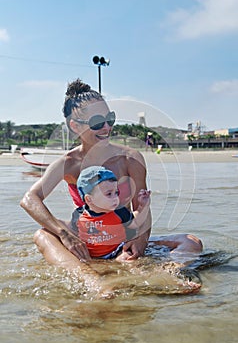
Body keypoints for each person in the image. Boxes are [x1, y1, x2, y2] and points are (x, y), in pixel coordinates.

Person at [20, 78, 203, 271]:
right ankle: (90, 280)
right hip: (88, 238)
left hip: (121, 236)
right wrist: (64, 235)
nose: (107, 128)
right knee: (42, 235)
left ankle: (169, 274)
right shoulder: (68, 163)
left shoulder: (130, 158)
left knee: (191, 242)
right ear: (75, 126)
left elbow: (141, 207)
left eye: (110, 119)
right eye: (98, 122)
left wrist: (140, 240)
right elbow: (29, 199)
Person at [73, 165, 151, 261]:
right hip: (92, 256)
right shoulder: (79, 215)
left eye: (116, 192)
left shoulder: (119, 211)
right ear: (89, 199)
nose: (115, 198)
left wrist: (143, 206)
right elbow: (73, 234)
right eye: (109, 194)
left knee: (127, 259)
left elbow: (135, 223)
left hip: (117, 250)